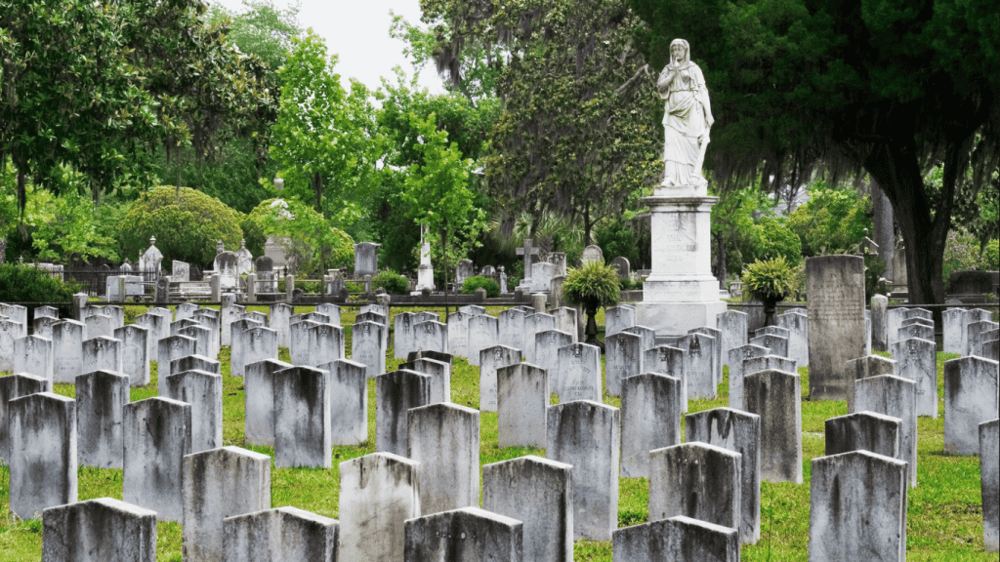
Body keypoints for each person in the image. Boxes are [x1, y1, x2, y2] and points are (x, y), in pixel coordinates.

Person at [657, 38, 714, 187]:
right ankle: (670, 177)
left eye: (679, 49)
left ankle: (693, 176)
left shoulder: (694, 68)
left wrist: (708, 113)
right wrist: (673, 73)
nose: (676, 52)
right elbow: (660, 86)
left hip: (691, 108)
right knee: (670, 143)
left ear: (685, 51)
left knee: (692, 143)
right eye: (673, 50)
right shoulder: (668, 69)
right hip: (673, 111)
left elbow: (702, 90)